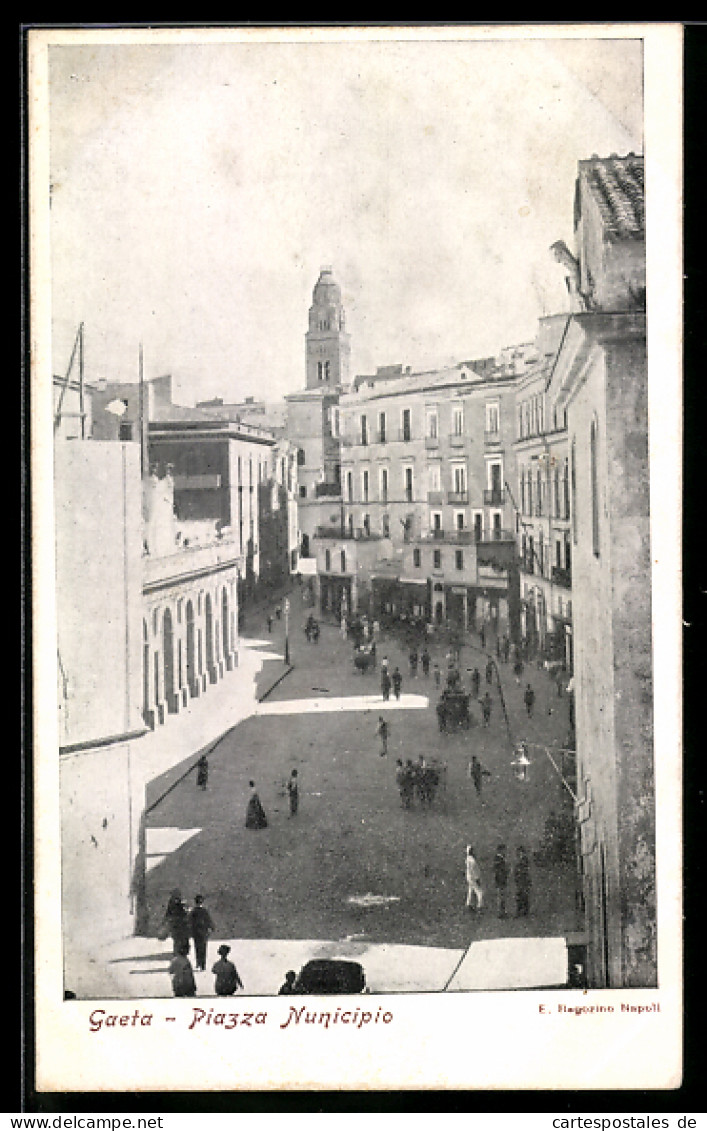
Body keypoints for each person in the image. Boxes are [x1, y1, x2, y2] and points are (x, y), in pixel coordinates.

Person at [189, 894, 215, 971]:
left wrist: (190, 931)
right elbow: (209, 920)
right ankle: (203, 964)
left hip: (196, 932)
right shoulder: (204, 911)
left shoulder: (193, 911)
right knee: (203, 948)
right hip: (203, 932)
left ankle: (198, 962)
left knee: (197, 947)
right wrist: (212, 927)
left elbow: (190, 922)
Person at [163, 889, 190, 955]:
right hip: (180, 924)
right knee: (180, 938)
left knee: (177, 939)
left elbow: (168, 913)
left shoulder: (172, 903)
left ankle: (178, 951)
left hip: (176, 924)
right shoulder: (180, 903)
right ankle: (181, 951)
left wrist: (165, 920)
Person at [465, 845, 483, 912]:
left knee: (471, 890)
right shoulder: (472, 861)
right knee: (479, 892)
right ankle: (479, 906)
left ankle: (468, 904)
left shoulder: (467, 859)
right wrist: (477, 878)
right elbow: (475, 871)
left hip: (469, 877)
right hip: (473, 878)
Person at [514, 846, 531, 917]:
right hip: (521, 880)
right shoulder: (521, 860)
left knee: (523, 896)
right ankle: (522, 911)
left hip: (523, 880)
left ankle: (522, 911)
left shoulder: (524, 860)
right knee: (521, 895)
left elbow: (523, 870)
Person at [493, 844, 509, 918]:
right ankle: (500, 913)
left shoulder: (500, 858)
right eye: (504, 850)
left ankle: (502, 912)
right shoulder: (498, 859)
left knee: (502, 897)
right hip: (500, 880)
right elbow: (499, 870)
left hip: (501, 880)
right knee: (501, 897)